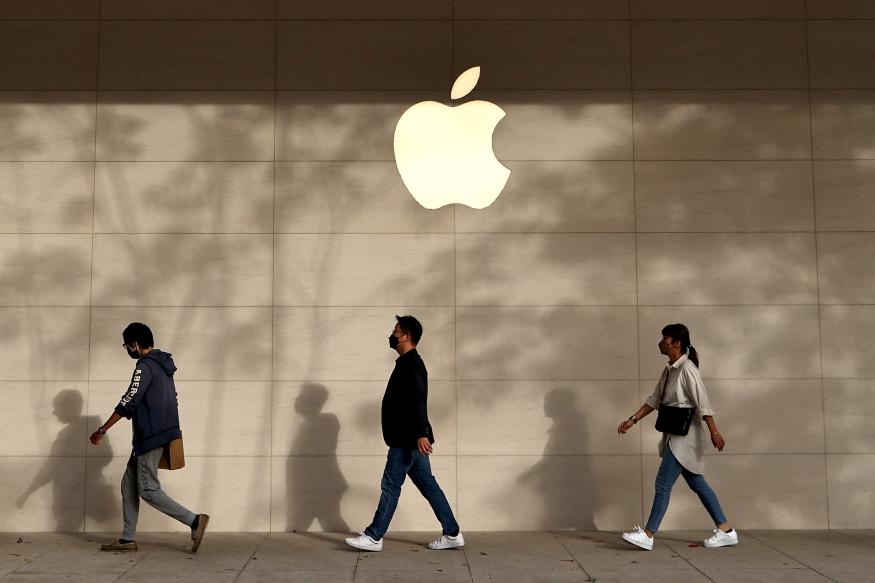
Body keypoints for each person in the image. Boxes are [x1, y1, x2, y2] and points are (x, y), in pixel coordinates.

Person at [345, 315, 463, 552]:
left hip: (406, 439)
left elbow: (418, 400)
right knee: (429, 486)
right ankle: (452, 533)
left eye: (396, 330)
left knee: (390, 484)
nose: (393, 334)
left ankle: (374, 536)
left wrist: (421, 433)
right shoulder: (406, 363)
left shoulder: (412, 365)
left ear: (406, 336)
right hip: (409, 438)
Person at [89, 322, 209, 553]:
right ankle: (127, 539)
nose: (128, 351)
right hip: (159, 432)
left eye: (127, 346)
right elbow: (172, 398)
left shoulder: (145, 366)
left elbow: (129, 400)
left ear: (135, 344)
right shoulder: (163, 365)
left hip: (151, 435)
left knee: (148, 489)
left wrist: (102, 430)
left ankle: (195, 521)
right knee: (128, 485)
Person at [617, 324, 738, 551]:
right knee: (698, 484)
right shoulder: (670, 370)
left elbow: (703, 403)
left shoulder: (688, 369)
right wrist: (632, 420)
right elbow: (655, 399)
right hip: (674, 433)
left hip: (685, 437)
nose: (661, 342)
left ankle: (648, 534)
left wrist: (714, 431)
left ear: (676, 343)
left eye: (665, 338)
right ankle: (726, 530)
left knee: (662, 484)